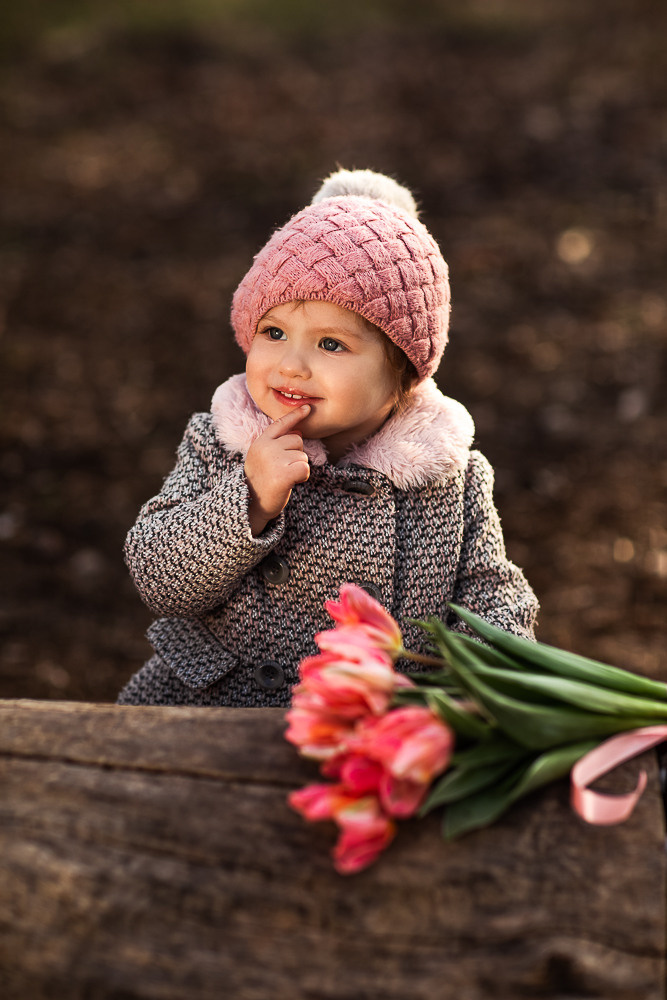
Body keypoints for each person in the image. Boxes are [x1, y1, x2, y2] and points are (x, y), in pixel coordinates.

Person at [117, 169, 538, 707]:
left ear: (404, 372)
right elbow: (158, 578)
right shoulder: (221, 445)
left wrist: (481, 688)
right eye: (273, 333)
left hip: (366, 728)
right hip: (211, 710)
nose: (291, 365)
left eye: (331, 345)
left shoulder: (449, 481)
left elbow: (492, 598)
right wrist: (248, 500)